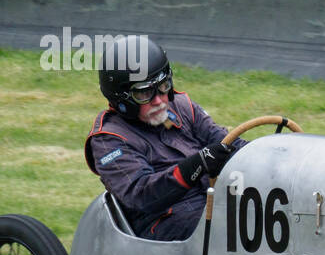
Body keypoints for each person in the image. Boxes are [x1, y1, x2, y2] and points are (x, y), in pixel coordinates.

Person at [84, 36, 245, 240]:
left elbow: (228, 142)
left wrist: (271, 155)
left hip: (211, 204)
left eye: (163, 86)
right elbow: (142, 195)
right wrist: (197, 164)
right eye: (144, 94)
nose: (159, 100)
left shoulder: (182, 106)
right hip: (163, 224)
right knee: (230, 228)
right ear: (121, 98)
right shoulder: (109, 140)